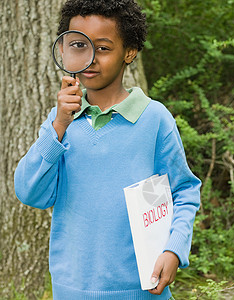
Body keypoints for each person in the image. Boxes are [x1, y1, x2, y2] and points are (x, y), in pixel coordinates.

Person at [14, 0, 201, 299]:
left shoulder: (155, 120)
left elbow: (184, 192)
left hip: (142, 289)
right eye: (78, 45)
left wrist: (174, 249)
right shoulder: (60, 122)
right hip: (71, 289)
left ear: (130, 52)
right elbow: (29, 192)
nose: (90, 59)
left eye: (102, 48)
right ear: (63, 50)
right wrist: (59, 125)